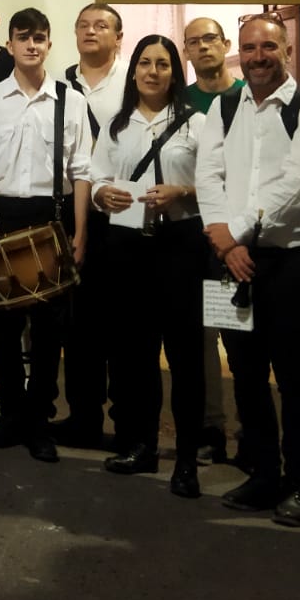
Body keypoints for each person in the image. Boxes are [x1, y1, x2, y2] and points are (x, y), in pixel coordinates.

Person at [195, 14, 300, 526]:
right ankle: (263, 474)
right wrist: (222, 237)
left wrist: (237, 235)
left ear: (287, 50)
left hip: (285, 260)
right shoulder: (224, 107)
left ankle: (299, 485)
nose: (257, 57)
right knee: (246, 374)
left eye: (268, 47)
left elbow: (298, 186)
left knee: (294, 377)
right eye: (249, 47)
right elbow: (207, 174)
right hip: (230, 258)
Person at [0, 8, 92, 463]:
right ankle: (11, 417)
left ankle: (39, 421)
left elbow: (82, 171)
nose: (32, 45)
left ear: (49, 43)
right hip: (2, 217)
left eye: (40, 37)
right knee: (0, 328)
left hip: (51, 216)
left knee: (48, 333)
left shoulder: (69, 99)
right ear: (11, 42)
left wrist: (80, 232)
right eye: (23, 37)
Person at [90, 35, 205, 497]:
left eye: (162, 64)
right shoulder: (118, 125)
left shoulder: (197, 122)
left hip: (179, 245)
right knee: (134, 353)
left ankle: (188, 460)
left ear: (174, 73)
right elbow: (96, 175)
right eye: (144, 63)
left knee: (184, 356)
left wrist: (183, 192)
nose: (152, 71)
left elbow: (220, 181)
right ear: (133, 70)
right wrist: (102, 195)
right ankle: (141, 445)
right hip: (127, 245)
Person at [54, 3, 128, 447]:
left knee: (120, 322)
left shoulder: (132, 82)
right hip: (74, 211)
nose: (90, 32)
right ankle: (83, 415)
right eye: (82, 25)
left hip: (121, 215)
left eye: (101, 26)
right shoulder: (61, 83)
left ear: (118, 37)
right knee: (76, 322)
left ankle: (125, 421)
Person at [183, 15, 243, 466]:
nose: (203, 47)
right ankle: (213, 428)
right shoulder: (180, 103)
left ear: (225, 44)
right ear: (186, 52)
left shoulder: (249, 96)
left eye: (210, 39)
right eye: (194, 42)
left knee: (244, 336)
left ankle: (256, 432)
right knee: (203, 338)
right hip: (196, 236)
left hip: (243, 235)